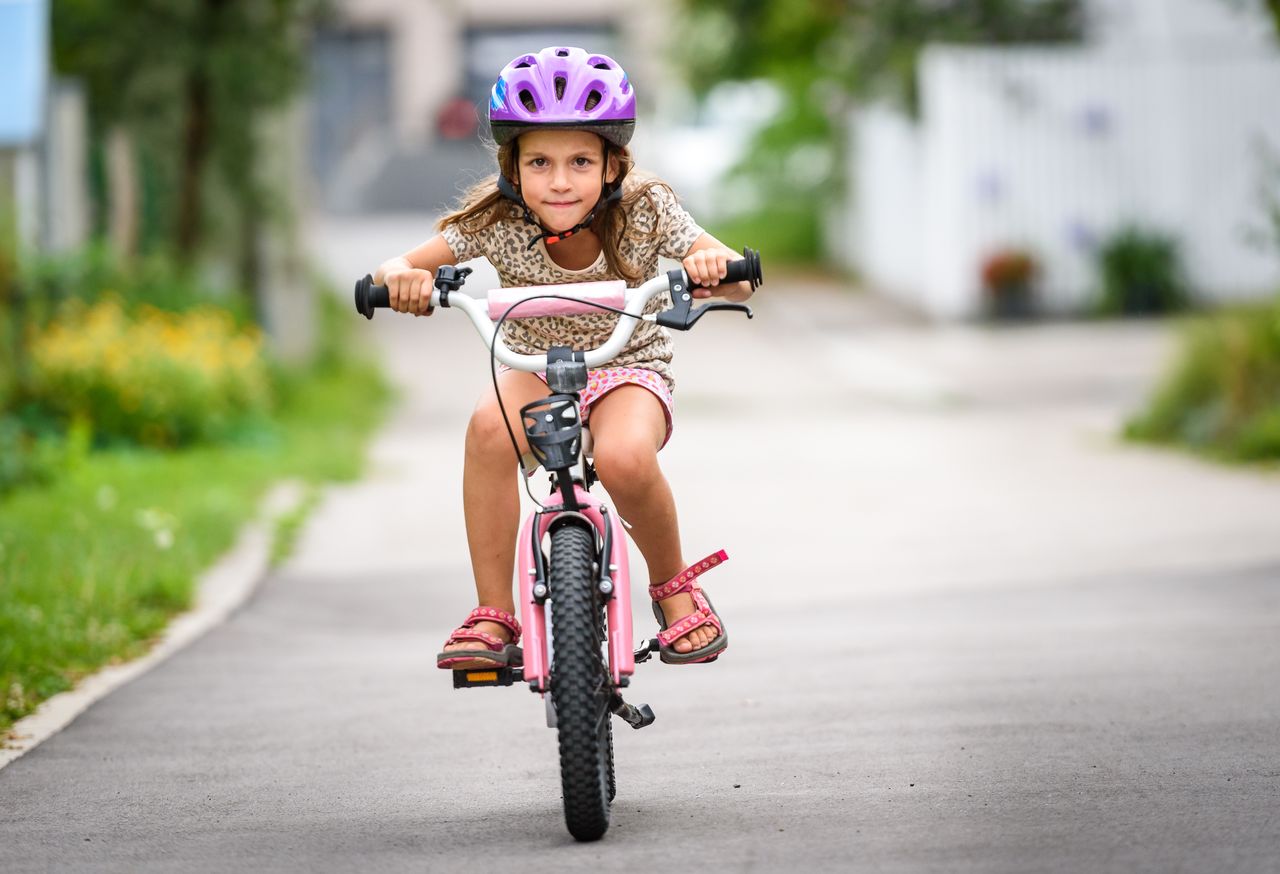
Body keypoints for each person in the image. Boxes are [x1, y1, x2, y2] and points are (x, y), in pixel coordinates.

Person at [373, 46, 753, 671]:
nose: (558, 180)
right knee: (488, 430)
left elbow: (736, 278)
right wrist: (401, 280)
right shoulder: (495, 220)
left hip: (628, 365)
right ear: (512, 170)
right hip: (535, 368)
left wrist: (713, 269)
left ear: (612, 165)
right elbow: (399, 265)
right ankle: (494, 613)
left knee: (625, 458)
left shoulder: (646, 208)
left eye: (580, 161)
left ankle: (673, 586)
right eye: (539, 162)